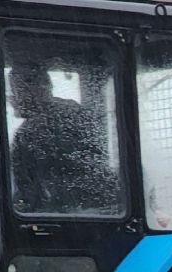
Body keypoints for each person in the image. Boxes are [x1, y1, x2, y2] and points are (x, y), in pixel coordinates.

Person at [7, 60, 113, 215]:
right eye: (14, 91)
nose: (14, 98)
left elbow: (87, 161)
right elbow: (24, 184)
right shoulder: (25, 133)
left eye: (18, 90)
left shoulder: (64, 117)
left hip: (76, 207)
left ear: (42, 86)